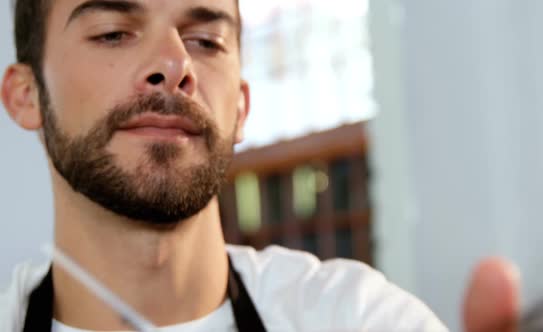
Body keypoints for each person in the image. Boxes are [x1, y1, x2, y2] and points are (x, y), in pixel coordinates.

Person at [0, 0, 449, 331]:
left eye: (205, 42)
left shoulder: (359, 318)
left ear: (241, 107)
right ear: (26, 95)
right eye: (113, 33)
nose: (174, 64)